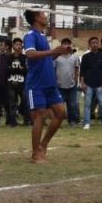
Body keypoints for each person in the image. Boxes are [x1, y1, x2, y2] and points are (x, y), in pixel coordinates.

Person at [23, 10, 69, 163]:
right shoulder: (30, 35)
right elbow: (30, 54)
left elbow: (46, 58)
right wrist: (52, 51)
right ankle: (35, 154)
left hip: (50, 83)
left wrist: (59, 52)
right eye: (44, 14)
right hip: (36, 84)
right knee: (40, 116)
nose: (46, 16)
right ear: (36, 18)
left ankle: (43, 145)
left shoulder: (43, 36)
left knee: (61, 113)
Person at [80, 37, 102, 130]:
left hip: (100, 84)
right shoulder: (85, 57)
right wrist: (82, 83)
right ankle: (87, 123)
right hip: (88, 83)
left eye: (96, 43)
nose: (95, 44)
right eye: (93, 43)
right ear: (89, 44)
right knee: (87, 104)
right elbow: (82, 71)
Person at [54, 38, 81, 126]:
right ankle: (59, 121)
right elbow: (54, 70)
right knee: (59, 105)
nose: (66, 45)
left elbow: (77, 69)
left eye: (67, 44)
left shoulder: (75, 57)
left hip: (72, 85)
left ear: (70, 45)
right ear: (61, 45)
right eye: (64, 43)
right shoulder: (56, 58)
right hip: (59, 84)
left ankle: (72, 120)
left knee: (72, 104)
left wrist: (76, 79)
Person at [7, 38, 29, 126]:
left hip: (22, 83)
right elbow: (7, 70)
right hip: (11, 83)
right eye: (16, 44)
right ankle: (13, 122)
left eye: (20, 44)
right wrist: (19, 69)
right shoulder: (9, 57)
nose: (18, 46)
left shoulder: (25, 57)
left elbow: (26, 70)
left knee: (25, 101)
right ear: (13, 46)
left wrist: (15, 69)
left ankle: (26, 120)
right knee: (12, 103)